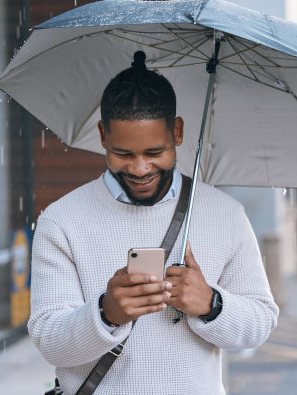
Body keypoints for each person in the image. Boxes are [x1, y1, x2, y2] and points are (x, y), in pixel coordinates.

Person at [28, 51, 279, 394]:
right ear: (103, 136)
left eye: (153, 152)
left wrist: (210, 304)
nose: (140, 168)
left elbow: (260, 323)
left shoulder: (225, 214)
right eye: (123, 154)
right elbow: (48, 340)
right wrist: (105, 314)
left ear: (177, 131)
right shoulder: (61, 221)